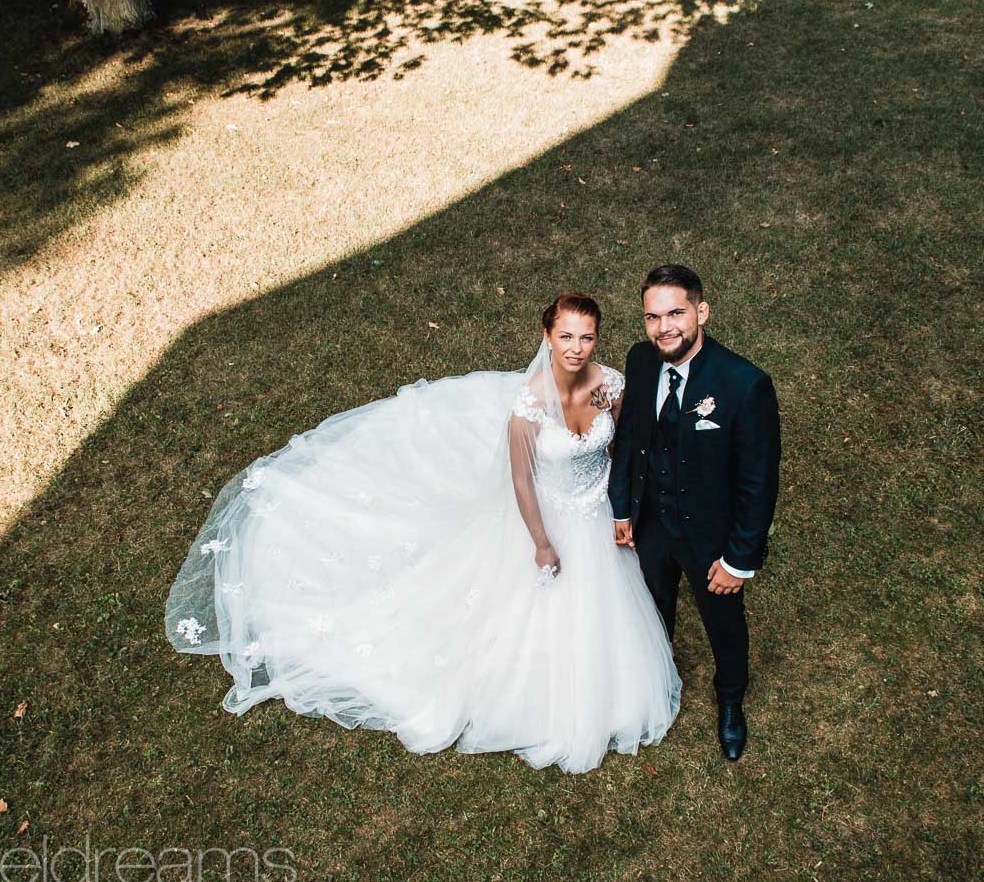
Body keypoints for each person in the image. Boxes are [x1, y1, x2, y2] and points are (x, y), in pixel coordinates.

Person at [165, 293, 681, 774]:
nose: (576, 348)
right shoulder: (528, 403)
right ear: (547, 337)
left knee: (603, 604)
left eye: (586, 337)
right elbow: (522, 478)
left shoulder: (609, 383)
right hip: (547, 515)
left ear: (597, 340)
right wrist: (542, 542)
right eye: (566, 336)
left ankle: (605, 690)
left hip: (596, 510)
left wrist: (625, 507)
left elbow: (624, 449)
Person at [610, 264, 781, 761]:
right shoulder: (641, 362)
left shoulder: (744, 384)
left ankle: (730, 702)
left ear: (701, 312)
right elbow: (632, 439)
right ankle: (658, 680)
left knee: (723, 625)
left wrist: (738, 560)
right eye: (652, 317)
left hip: (710, 540)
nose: (664, 327)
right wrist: (623, 506)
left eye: (676, 313)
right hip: (652, 524)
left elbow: (758, 481)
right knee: (652, 609)